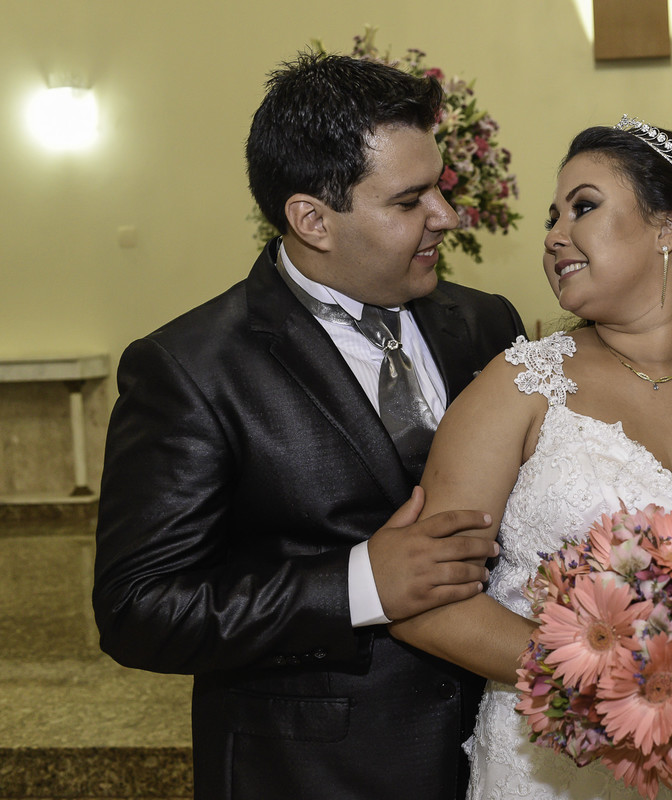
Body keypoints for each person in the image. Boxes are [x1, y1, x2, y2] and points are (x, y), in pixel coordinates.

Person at [92, 52, 524, 800]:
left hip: (502, 751)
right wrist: (359, 585)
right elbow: (140, 610)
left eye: (441, 188)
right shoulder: (191, 368)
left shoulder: (486, 323)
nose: (446, 216)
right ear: (312, 220)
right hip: (314, 772)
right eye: (409, 201)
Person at [387, 118, 672, 799]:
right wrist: (609, 681)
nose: (553, 235)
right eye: (553, 217)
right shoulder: (521, 388)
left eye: (584, 207)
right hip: (558, 770)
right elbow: (423, 600)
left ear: (669, 226)